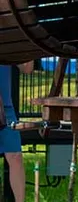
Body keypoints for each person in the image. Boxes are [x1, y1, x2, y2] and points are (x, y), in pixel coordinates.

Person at [0, 62, 34, 202]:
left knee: (15, 156)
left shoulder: (7, 42)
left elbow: (27, 68)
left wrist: (32, 44)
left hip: (5, 108)